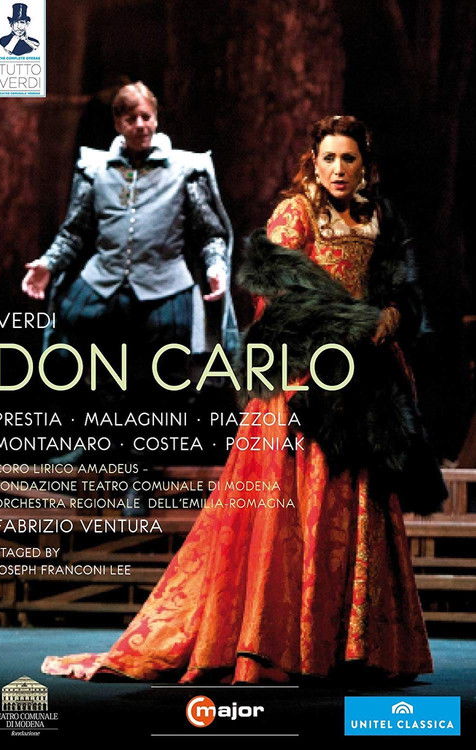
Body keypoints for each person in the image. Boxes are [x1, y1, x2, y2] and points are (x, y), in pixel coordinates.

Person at [41, 115, 446, 684]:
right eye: (328, 158)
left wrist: (393, 316)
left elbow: (402, 286)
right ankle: (283, 645)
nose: (338, 169)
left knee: (359, 506)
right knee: (298, 511)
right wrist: (350, 325)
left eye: (348, 159)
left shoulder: (379, 216)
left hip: (367, 385)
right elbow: (274, 293)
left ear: (364, 166)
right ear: (314, 163)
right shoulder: (295, 213)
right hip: (306, 380)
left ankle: (353, 649)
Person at [22, 81, 238, 463]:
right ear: (118, 123)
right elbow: (74, 231)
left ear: (156, 119)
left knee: (160, 377)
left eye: (146, 117)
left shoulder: (185, 170)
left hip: (164, 287)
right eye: (131, 118)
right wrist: (48, 264)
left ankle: (142, 464)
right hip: (105, 283)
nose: (140, 125)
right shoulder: (95, 169)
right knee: (83, 359)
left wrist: (216, 267)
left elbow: (210, 234)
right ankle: (98, 444)